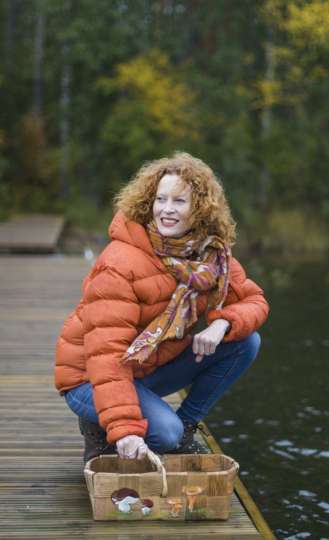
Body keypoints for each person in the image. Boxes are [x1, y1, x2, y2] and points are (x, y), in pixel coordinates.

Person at [54, 152, 269, 462]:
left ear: (199, 209)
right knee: (162, 434)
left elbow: (255, 301)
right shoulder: (120, 262)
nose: (167, 210)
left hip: (144, 365)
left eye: (179, 202)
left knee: (245, 342)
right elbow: (106, 354)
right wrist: (125, 427)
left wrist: (222, 322)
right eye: (160, 199)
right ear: (148, 202)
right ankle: (99, 424)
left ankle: (186, 428)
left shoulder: (209, 255)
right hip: (89, 377)